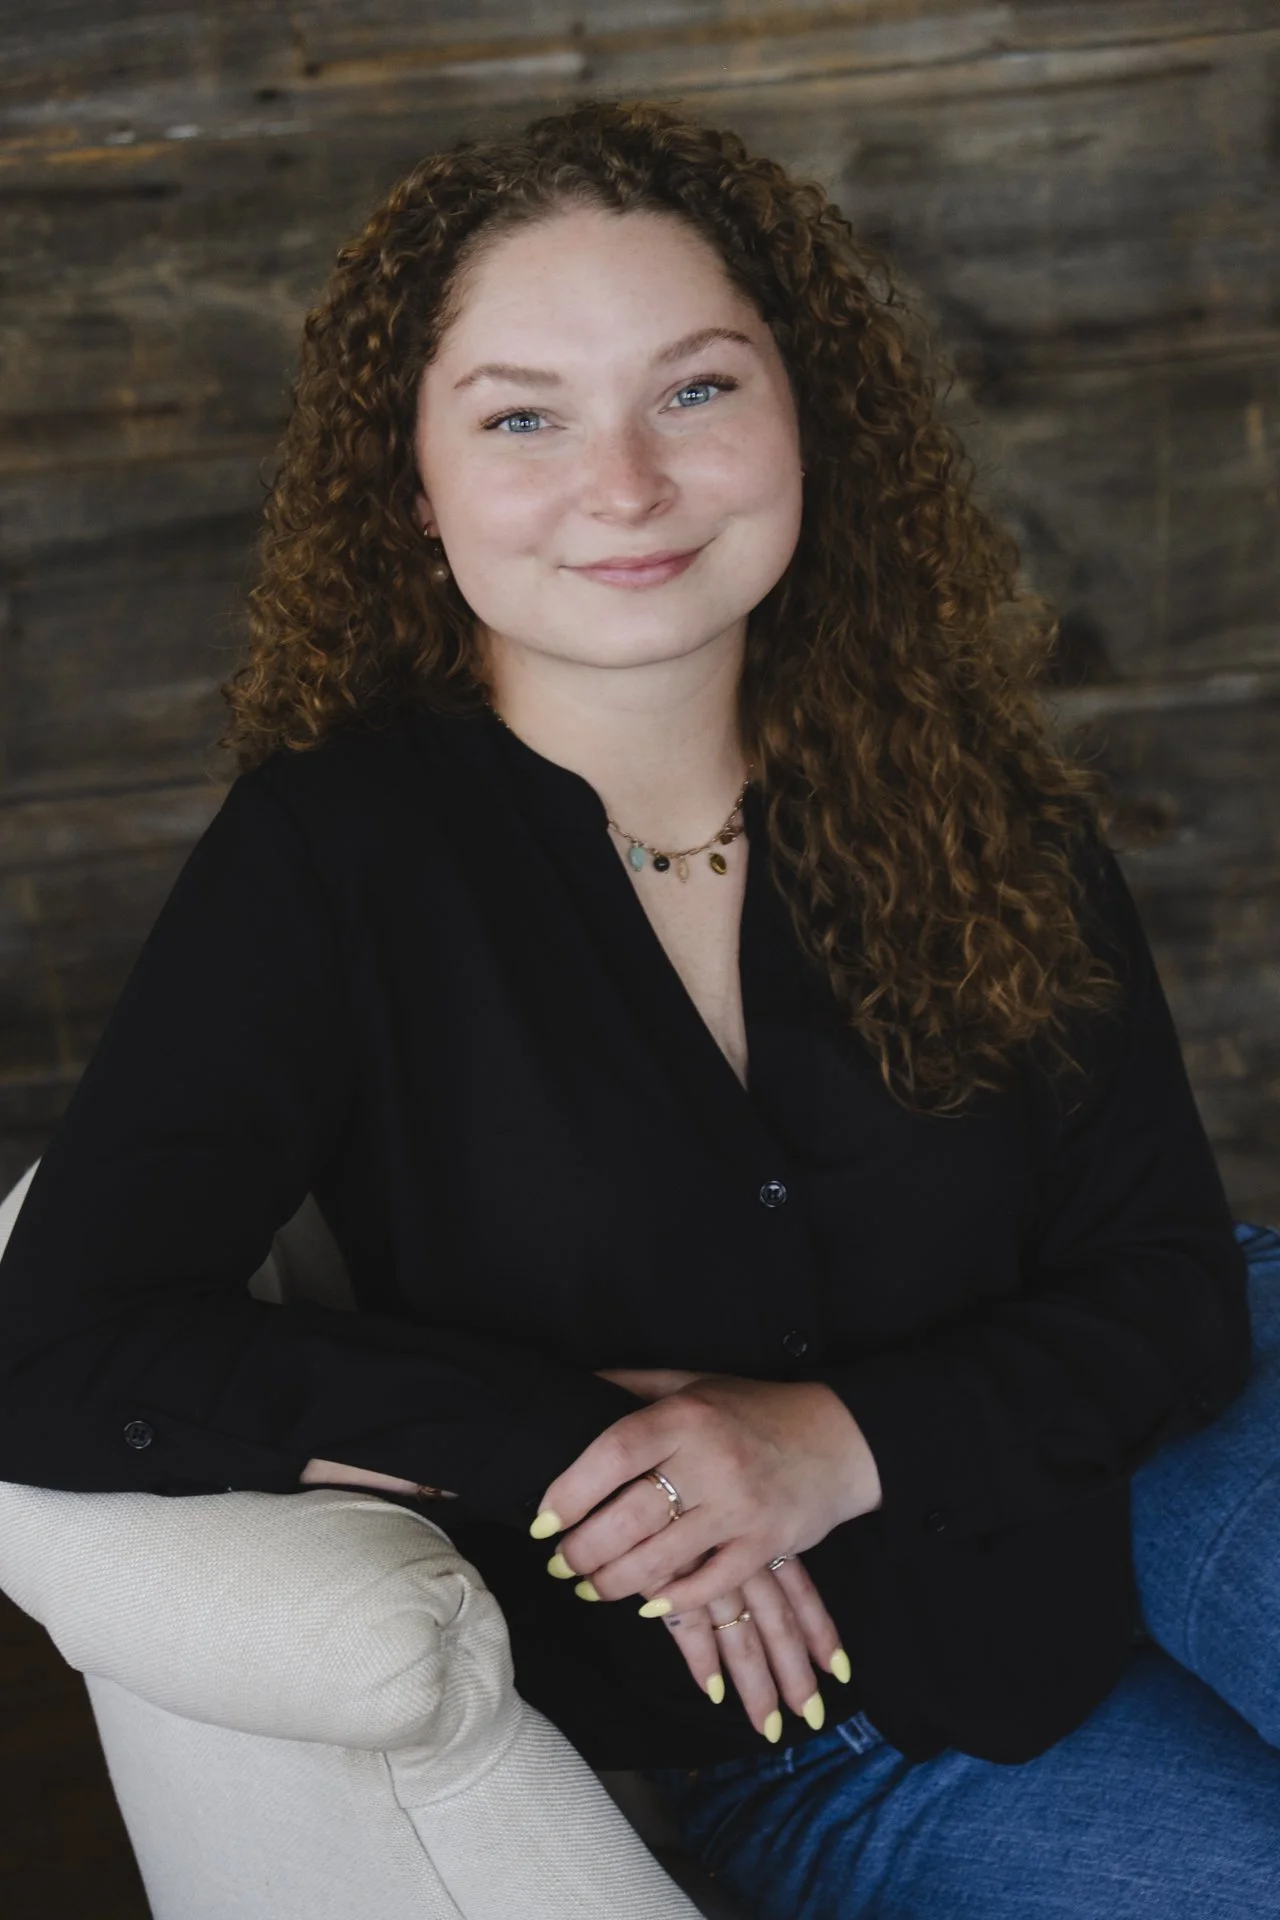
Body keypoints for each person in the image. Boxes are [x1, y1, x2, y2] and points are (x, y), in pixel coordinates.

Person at [0, 94, 1277, 1915]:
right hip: (845, 1721)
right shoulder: (334, 863)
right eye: (523, 416)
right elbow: (51, 1358)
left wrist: (819, 1443)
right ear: (415, 492)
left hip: (1182, 1466)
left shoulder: (976, 796)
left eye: (695, 389)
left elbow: (1168, 1287)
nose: (625, 485)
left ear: (803, 416)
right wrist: (574, 1448)